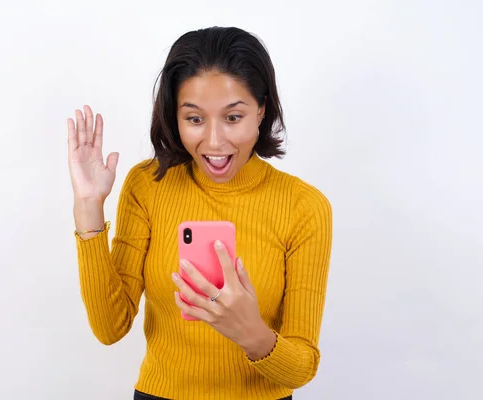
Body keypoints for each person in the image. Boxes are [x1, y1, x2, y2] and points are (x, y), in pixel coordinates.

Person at [67, 26, 333, 400]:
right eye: (194, 119)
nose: (214, 141)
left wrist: (249, 332)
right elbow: (110, 328)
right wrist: (88, 207)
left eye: (233, 117)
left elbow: (303, 366)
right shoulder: (149, 185)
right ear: (175, 117)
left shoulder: (304, 206)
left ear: (261, 110)